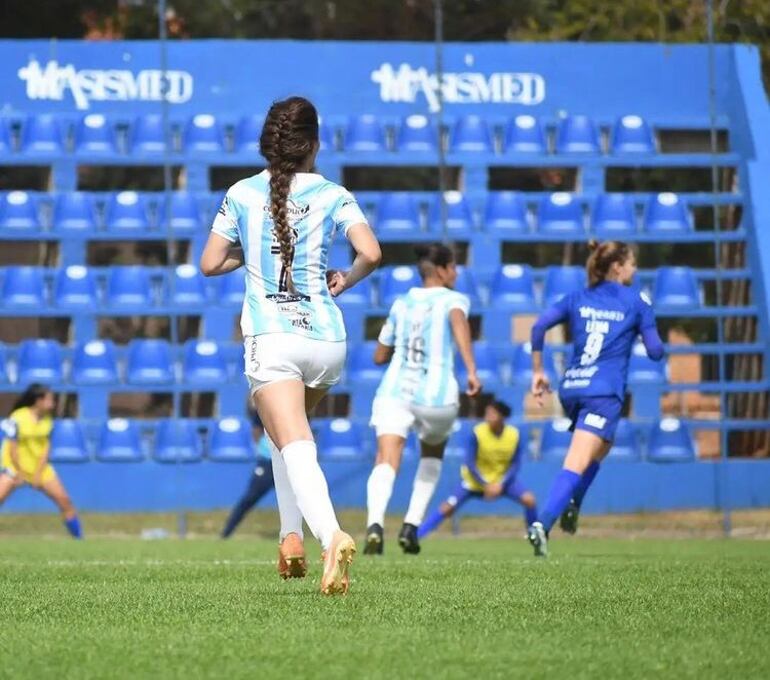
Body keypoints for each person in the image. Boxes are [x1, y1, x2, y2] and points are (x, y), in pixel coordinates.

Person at [200, 96, 381, 595]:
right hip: (326, 339)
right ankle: (290, 540)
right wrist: (348, 278)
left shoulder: (241, 193)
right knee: (286, 437)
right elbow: (371, 252)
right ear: (314, 144)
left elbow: (210, 262)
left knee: (295, 443)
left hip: (273, 337)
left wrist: (250, 253)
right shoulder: (333, 192)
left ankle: (330, 536)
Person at [527, 240, 664, 557]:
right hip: (604, 390)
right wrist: (648, 328)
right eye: (631, 263)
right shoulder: (635, 301)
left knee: (601, 446)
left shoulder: (578, 297)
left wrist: (537, 371)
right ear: (618, 267)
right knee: (578, 458)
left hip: (573, 386)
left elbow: (539, 326)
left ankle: (573, 500)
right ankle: (542, 524)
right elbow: (656, 351)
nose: (635, 269)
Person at [364, 242, 482, 556]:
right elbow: (459, 325)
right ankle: (411, 525)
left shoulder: (401, 303)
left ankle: (374, 525)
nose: (455, 273)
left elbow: (378, 356)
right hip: (437, 396)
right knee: (431, 456)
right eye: (454, 266)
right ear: (442, 270)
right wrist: (471, 370)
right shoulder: (454, 299)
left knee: (386, 460)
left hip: (395, 392)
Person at [417, 400, 537, 540]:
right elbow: (470, 463)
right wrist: (485, 484)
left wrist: (501, 484)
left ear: (502, 417)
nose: (488, 417)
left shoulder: (514, 435)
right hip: (475, 481)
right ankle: (416, 536)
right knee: (447, 507)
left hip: (501, 482)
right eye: (487, 414)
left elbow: (515, 464)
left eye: (492, 414)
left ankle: (534, 536)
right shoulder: (478, 433)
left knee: (529, 500)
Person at [0, 384, 82, 538]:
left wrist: (38, 473)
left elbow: (45, 447)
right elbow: (12, 448)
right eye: (49, 399)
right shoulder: (18, 417)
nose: (53, 402)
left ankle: (79, 540)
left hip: (39, 468)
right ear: (38, 400)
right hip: (14, 467)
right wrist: (20, 473)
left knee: (65, 501)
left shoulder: (47, 420)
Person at [220, 407, 275, 540]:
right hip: (267, 461)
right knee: (249, 498)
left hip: (289, 461)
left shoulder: (297, 403)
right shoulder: (263, 406)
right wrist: (265, 449)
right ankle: (226, 533)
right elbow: (256, 430)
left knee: (302, 498)